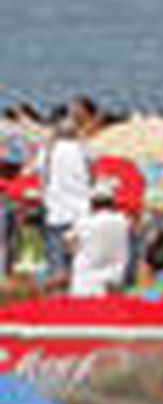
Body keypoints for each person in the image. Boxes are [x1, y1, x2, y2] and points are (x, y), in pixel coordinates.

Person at [41, 107, 91, 287]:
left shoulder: (50, 150)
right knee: (78, 265)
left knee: (57, 266)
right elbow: (92, 176)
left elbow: (41, 175)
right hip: (81, 211)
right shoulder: (83, 150)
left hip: (56, 211)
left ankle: (57, 296)